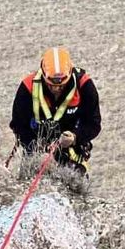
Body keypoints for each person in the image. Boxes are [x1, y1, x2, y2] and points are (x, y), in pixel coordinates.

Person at [9, 47, 101, 175]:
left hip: (73, 152)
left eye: (61, 85)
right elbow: (18, 126)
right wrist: (37, 149)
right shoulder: (28, 88)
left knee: (75, 186)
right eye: (51, 84)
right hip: (37, 153)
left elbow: (93, 124)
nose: (56, 89)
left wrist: (75, 137)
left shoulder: (84, 86)